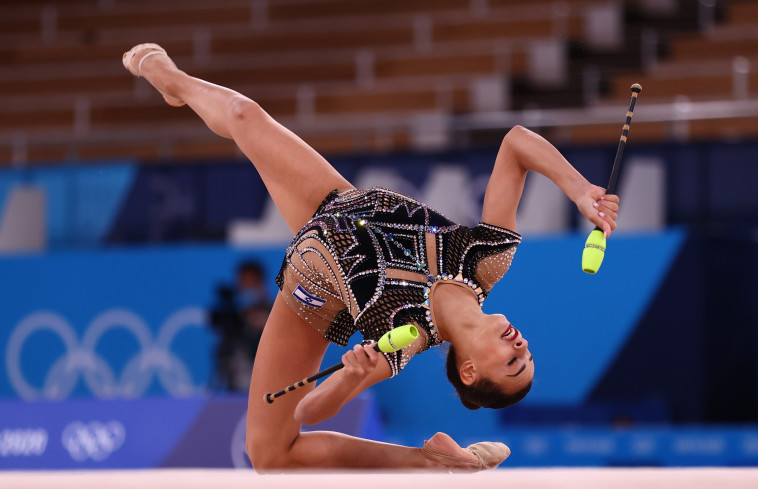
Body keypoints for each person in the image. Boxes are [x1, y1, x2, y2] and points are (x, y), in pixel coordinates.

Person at [122, 43, 620, 471]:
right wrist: (581, 191)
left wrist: (350, 380)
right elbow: (516, 144)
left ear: (469, 371)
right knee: (243, 114)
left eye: (513, 363)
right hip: (335, 203)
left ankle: (428, 462)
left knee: (270, 454)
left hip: (313, 289)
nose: (522, 347)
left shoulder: (406, 335)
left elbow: (308, 411)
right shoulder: (487, 261)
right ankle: (172, 80)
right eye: (528, 355)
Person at [209, 261, 272, 391]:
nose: (246, 288)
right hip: (234, 384)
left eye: (250, 283)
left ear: (260, 284)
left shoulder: (273, 312)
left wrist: (267, 326)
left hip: (266, 382)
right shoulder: (232, 313)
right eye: (242, 283)